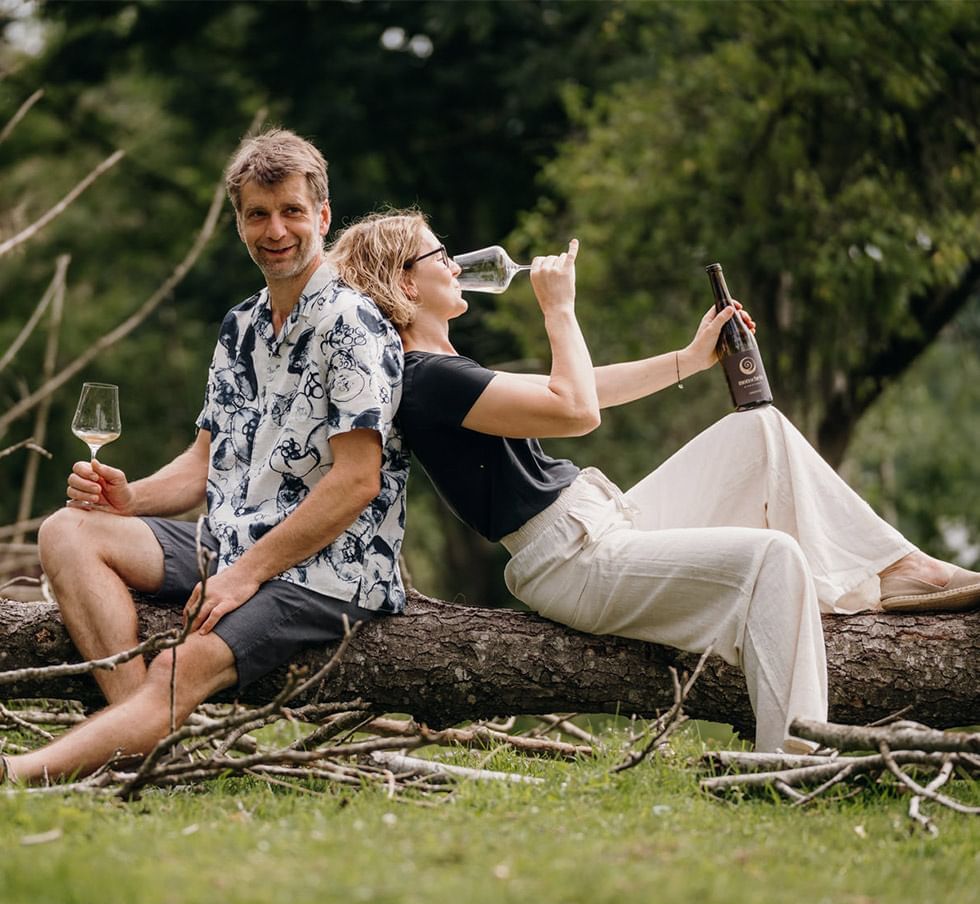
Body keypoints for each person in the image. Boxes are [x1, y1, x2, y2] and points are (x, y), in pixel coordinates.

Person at [327, 209, 980, 754]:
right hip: (573, 559)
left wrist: (690, 359)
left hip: (600, 522)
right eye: (440, 255)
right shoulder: (426, 378)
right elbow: (575, 408)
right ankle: (795, 759)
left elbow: (585, 388)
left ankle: (899, 571)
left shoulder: (444, 367)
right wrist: (560, 309)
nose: (455, 263)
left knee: (761, 431)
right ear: (405, 284)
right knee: (775, 559)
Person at [1, 131, 408, 786]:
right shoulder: (240, 327)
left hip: (329, 567)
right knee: (65, 531)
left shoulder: (353, 327)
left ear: (323, 217)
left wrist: (244, 575)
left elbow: (357, 483)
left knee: (177, 667)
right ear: (239, 222)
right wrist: (129, 499)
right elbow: (202, 468)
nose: (275, 230)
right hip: (229, 545)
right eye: (257, 214)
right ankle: (146, 744)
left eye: (292, 212)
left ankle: (18, 772)